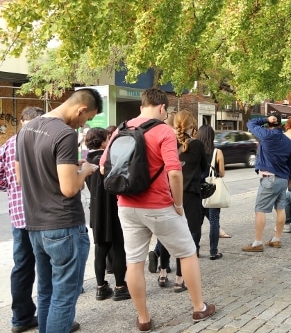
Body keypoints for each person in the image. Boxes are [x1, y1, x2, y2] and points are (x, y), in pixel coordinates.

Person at [99, 88, 215, 332]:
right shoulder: (163, 130)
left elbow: (103, 168)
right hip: (159, 205)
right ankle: (199, 307)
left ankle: (143, 319)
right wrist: (179, 204)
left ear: (142, 105)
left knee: (134, 262)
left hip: (127, 205)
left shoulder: (120, 130)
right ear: (162, 108)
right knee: (187, 252)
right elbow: (174, 171)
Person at [16, 89, 103, 333]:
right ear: (81, 109)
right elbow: (68, 189)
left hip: (35, 225)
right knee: (64, 298)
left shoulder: (27, 129)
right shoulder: (64, 134)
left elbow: (24, 176)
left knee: (46, 293)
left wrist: (68, 167)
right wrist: (85, 170)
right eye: (87, 119)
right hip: (63, 225)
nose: (85, 124)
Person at [0, 107, 44, 333]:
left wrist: (14, 189)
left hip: (19, 218)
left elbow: (0, 180)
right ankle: (52, 320)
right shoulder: (44, 142)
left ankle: (21, 318)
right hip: (45, 216)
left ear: (21, 120)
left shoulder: (7, 145)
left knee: (22, 267)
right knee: (49, 267)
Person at [156, 110, 210, 293]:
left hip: (167, 194)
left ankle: (163, 272)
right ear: (191, 124)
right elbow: (205, 170)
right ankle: (180, 278)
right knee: (188, 236)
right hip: (190, 195)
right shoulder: (197, 145)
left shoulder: (166, 143)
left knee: (165, 234)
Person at [84, 127, 130, 301]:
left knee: (100, 248)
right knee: (118, 247)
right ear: (103, 141)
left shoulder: (86, 160)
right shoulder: (110, 158)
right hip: (113, 206)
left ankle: (100, 286)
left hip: (96, 209)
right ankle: (120, 286)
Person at [243, 114, 291, 252]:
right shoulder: (287, 141)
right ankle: (276, 239)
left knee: (260, 210)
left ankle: (257, 243)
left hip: (269, 178)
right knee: (281, 208)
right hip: (283, 179)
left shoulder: (266, 134)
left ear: (269, 124)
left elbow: (251, 124)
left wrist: (266, 119)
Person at [196, 124, 226, 260]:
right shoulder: (217, 152)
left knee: (197, 222)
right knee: (214, 221)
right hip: (212, 190)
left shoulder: (194, 149)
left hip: (197, 189)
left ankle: (195, 250)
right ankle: (213, 252)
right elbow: (222, 173)